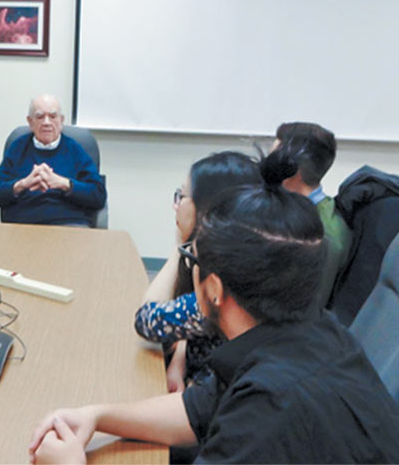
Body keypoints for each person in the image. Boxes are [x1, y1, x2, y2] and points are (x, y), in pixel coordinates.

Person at [29, 154, 399, 464]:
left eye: (193, 257)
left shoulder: (268, 408)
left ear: (213, 288)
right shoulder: (317, 331)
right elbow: (196, 409)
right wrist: (98, 415)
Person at [135, 152, 261, 392]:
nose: (176, 205)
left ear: (207, 208)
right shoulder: (247, 254)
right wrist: (180, 358)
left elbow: (148, 320)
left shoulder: (225, 285)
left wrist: (183, 246)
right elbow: (192, 319)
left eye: (182, 196)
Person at [0, 94, 106, 226]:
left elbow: (98, 195)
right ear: (30, 122)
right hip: (23, 226)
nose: (46, 123)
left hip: (68, 225)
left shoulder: (75, 150)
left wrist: (64, 183)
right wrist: (23, 184)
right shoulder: (18, 148)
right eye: (40, 117)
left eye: (53, 116)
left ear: (61, 121)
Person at [269, 122, 351, 309]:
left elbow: (303, 312)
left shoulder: (324, 236)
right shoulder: (292, 213)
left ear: (292, 170)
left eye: (271, 160)